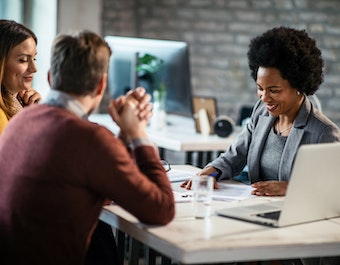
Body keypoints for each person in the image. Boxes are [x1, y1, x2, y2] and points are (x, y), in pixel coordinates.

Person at [0, 30, 175, 265]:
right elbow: (161, 210)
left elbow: (87, 176)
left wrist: (122, 135)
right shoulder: (91, 139)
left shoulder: (19, 120)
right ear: (101, 84)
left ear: (51, 78)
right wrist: (138, 133)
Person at [182, 26, 340, 265]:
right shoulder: (262, 113)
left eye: (274, 90)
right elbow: (236, 154)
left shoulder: (323, 132)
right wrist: (210, 172)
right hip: (253, 222)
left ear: (299, 86)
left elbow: (333, 197)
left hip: (293, 240)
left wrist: (290, 188)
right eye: (260, 88)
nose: (264, 98)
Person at [0, 19, 42, 134]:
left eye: (34, 59)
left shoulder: (20, 103)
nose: (34, 68)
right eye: (23, 60)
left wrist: (35, 113)